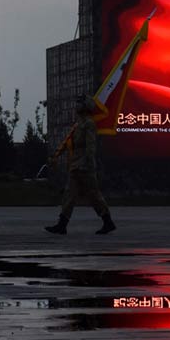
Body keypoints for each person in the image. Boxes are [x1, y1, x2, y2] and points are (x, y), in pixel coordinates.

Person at [45, 94, 116, 235]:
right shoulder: (78, 124)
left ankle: (108, 222)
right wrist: (56, 156)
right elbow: (67, 142)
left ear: (86, 106)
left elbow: (90, 146)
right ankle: (62, 224)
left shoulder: (89, 124)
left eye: (79, 103)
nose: (76, 105)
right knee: (69, 195)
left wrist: (89, 164)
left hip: (85, 165)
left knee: (94, 195)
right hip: (75, 165)